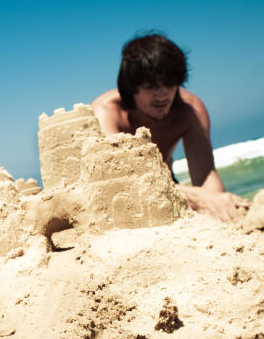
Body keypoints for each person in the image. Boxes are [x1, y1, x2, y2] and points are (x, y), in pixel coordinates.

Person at [91, 33, 249, 223]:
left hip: (168, 185)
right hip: (118, 194)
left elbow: (206, 175)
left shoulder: (190, 111)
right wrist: (200, 198)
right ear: (131, 88)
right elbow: (124, 179)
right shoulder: (106, 112)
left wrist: (221, 207)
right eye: (151, 86)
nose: (162, 94)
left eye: (169, 83)